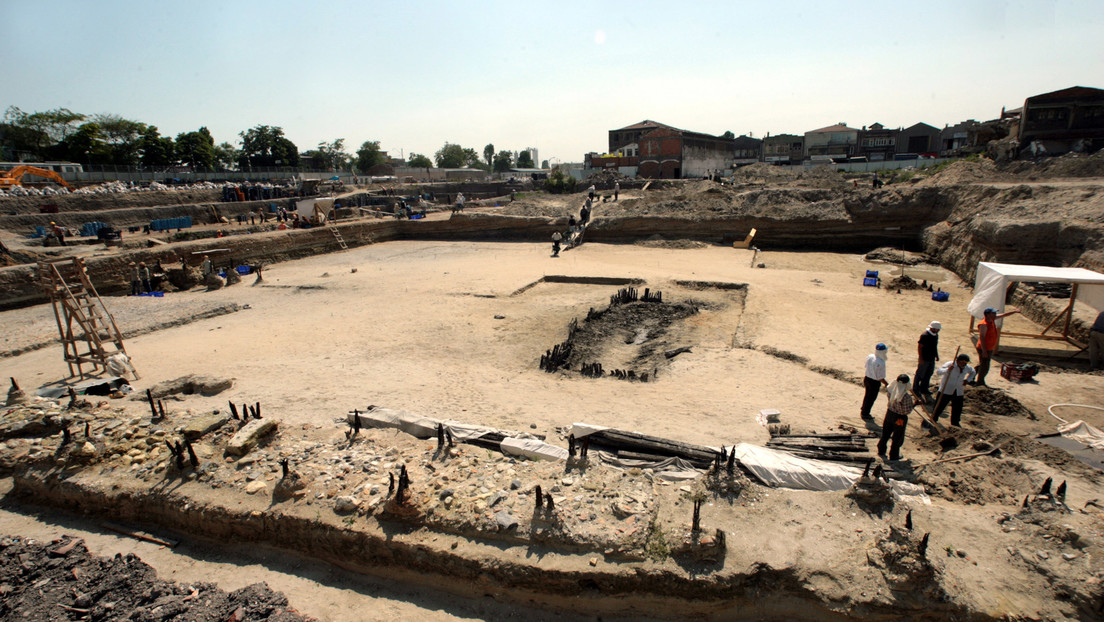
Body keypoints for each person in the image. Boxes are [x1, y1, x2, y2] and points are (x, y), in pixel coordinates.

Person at [976, 307, 1021, 385]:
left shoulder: (992, 320)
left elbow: (1004, 315)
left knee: (982, 364)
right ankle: (980, 382)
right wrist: (984, 351)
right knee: (985, 366)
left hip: (989, 347)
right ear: (987, 314)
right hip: (984, 348)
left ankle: (972, 376)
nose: (995, 314)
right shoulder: (983, 325)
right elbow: (982, 337)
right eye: (993, 313)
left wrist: (1014, 311)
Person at [931, 354, 977, 427]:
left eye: (966, 363)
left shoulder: (966, 368)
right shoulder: (950, 364)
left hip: (958, 390)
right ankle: (933, 420)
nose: (964, 364)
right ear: (958, 361)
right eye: (963, 362)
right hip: (946, 389)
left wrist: (968, 380)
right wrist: (948, 370)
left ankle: (955, 423)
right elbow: (938, 372)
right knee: (939, 406)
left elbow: (973, 372)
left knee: (957, 408)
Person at [877, 374, 915, 461]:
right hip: (899, 419)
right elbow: (906, 411)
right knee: (897, 437)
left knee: (885, 433)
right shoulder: (906, 397)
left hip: (889, 414)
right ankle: (894, 455)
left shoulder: (891, 390)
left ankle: (881, 450)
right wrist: (915, 404)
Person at [860, 343, 889, 420]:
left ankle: (864, 409)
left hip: (867, 379)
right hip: (874, 383)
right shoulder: (881, 363)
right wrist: (886, 384)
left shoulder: (870, 357)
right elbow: (880, 377)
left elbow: (866, 366)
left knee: (867, 395)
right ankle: (865, 413)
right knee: (871, 398)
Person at [914, 321, 941, 401]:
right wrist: (921, 358)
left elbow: (935, 346)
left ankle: (924, 388)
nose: (938, 330)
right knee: (920, 374)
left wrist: (936, 355)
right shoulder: (925, 336)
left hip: (931, 358)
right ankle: (916, 389)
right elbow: (920, 347)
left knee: (929, 373)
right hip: (924, 359)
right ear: (933, 328)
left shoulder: (935, 335)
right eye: (937, 329)